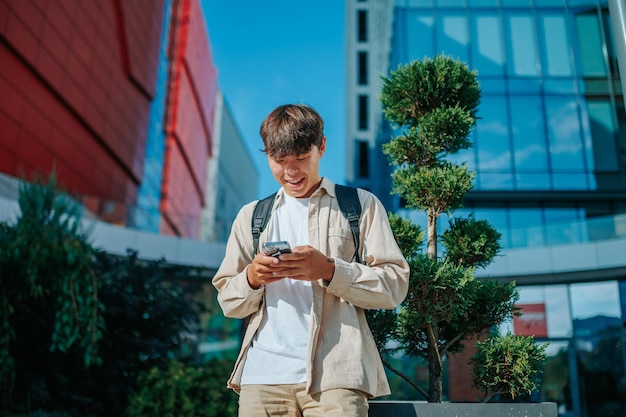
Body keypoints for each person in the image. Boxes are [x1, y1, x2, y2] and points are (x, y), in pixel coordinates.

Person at [212, 103, 409, 417]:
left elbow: (395, 285)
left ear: (322, 147)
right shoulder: (251, 217)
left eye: (302, 158)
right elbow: (228, 302)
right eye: (279, 161)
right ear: (267, 155)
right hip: (262, 378)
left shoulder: (360, 205)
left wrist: (331, 271)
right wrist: (252, 276)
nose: (291, 172)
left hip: (337, 375)